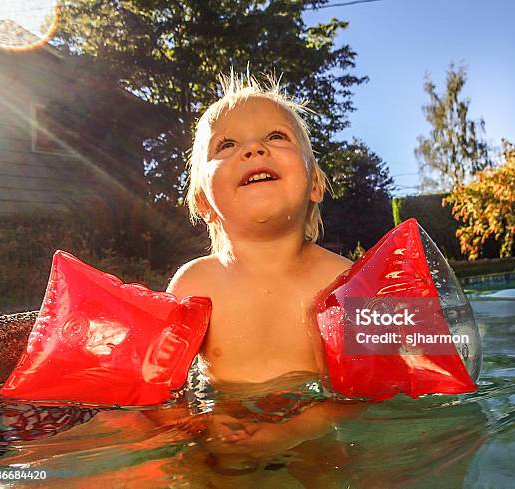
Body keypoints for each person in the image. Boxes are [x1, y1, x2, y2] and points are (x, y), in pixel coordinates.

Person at [146, 70, 366, 471]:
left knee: (334, 472)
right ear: (204, 203)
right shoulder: (193, 283)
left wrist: (294, 430)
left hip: (313, 427)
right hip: (222, 426)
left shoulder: (345, 281)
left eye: (276, 137)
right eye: (226, 144)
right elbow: (159, 387)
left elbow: (367, 387)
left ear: (315, 183)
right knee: (198, 471)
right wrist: (196, 423)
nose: (253, 150)